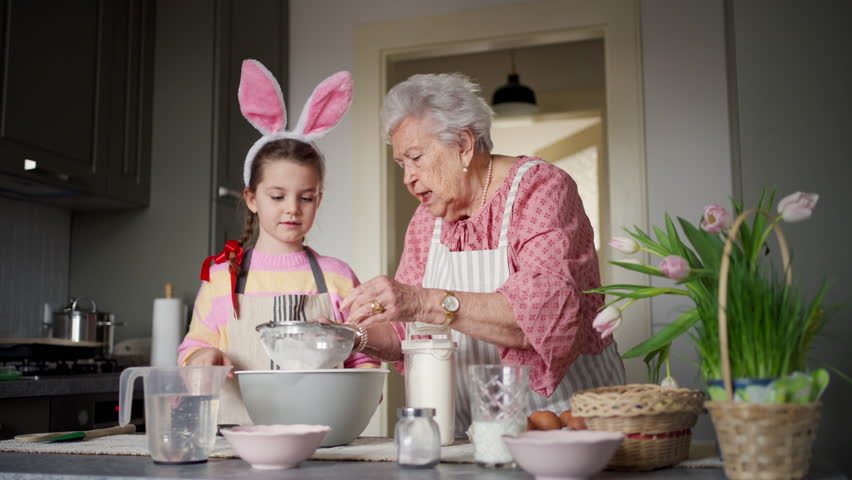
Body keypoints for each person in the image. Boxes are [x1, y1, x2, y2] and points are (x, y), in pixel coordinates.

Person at [340, 73, 626, 436]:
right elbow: (403, 332)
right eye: (402, 164)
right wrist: (351, 335)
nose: (408, 178)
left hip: (564, 422)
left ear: (462, 144)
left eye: (415, 158)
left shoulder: (540, 190)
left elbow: (541, 316)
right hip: (471, 433)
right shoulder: (427, 221)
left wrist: (423, 301)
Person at [178, 60, 378, 425]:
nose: (292, 210)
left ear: (319, 199)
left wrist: (361, 395)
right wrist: (202, 360)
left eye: (306, 197)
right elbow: (192, 350)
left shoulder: (338, 278)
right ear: (252, 198)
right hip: (232, 444)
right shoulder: (223, 277)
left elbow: (365, 358)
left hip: (322, 442)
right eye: (277, 196)